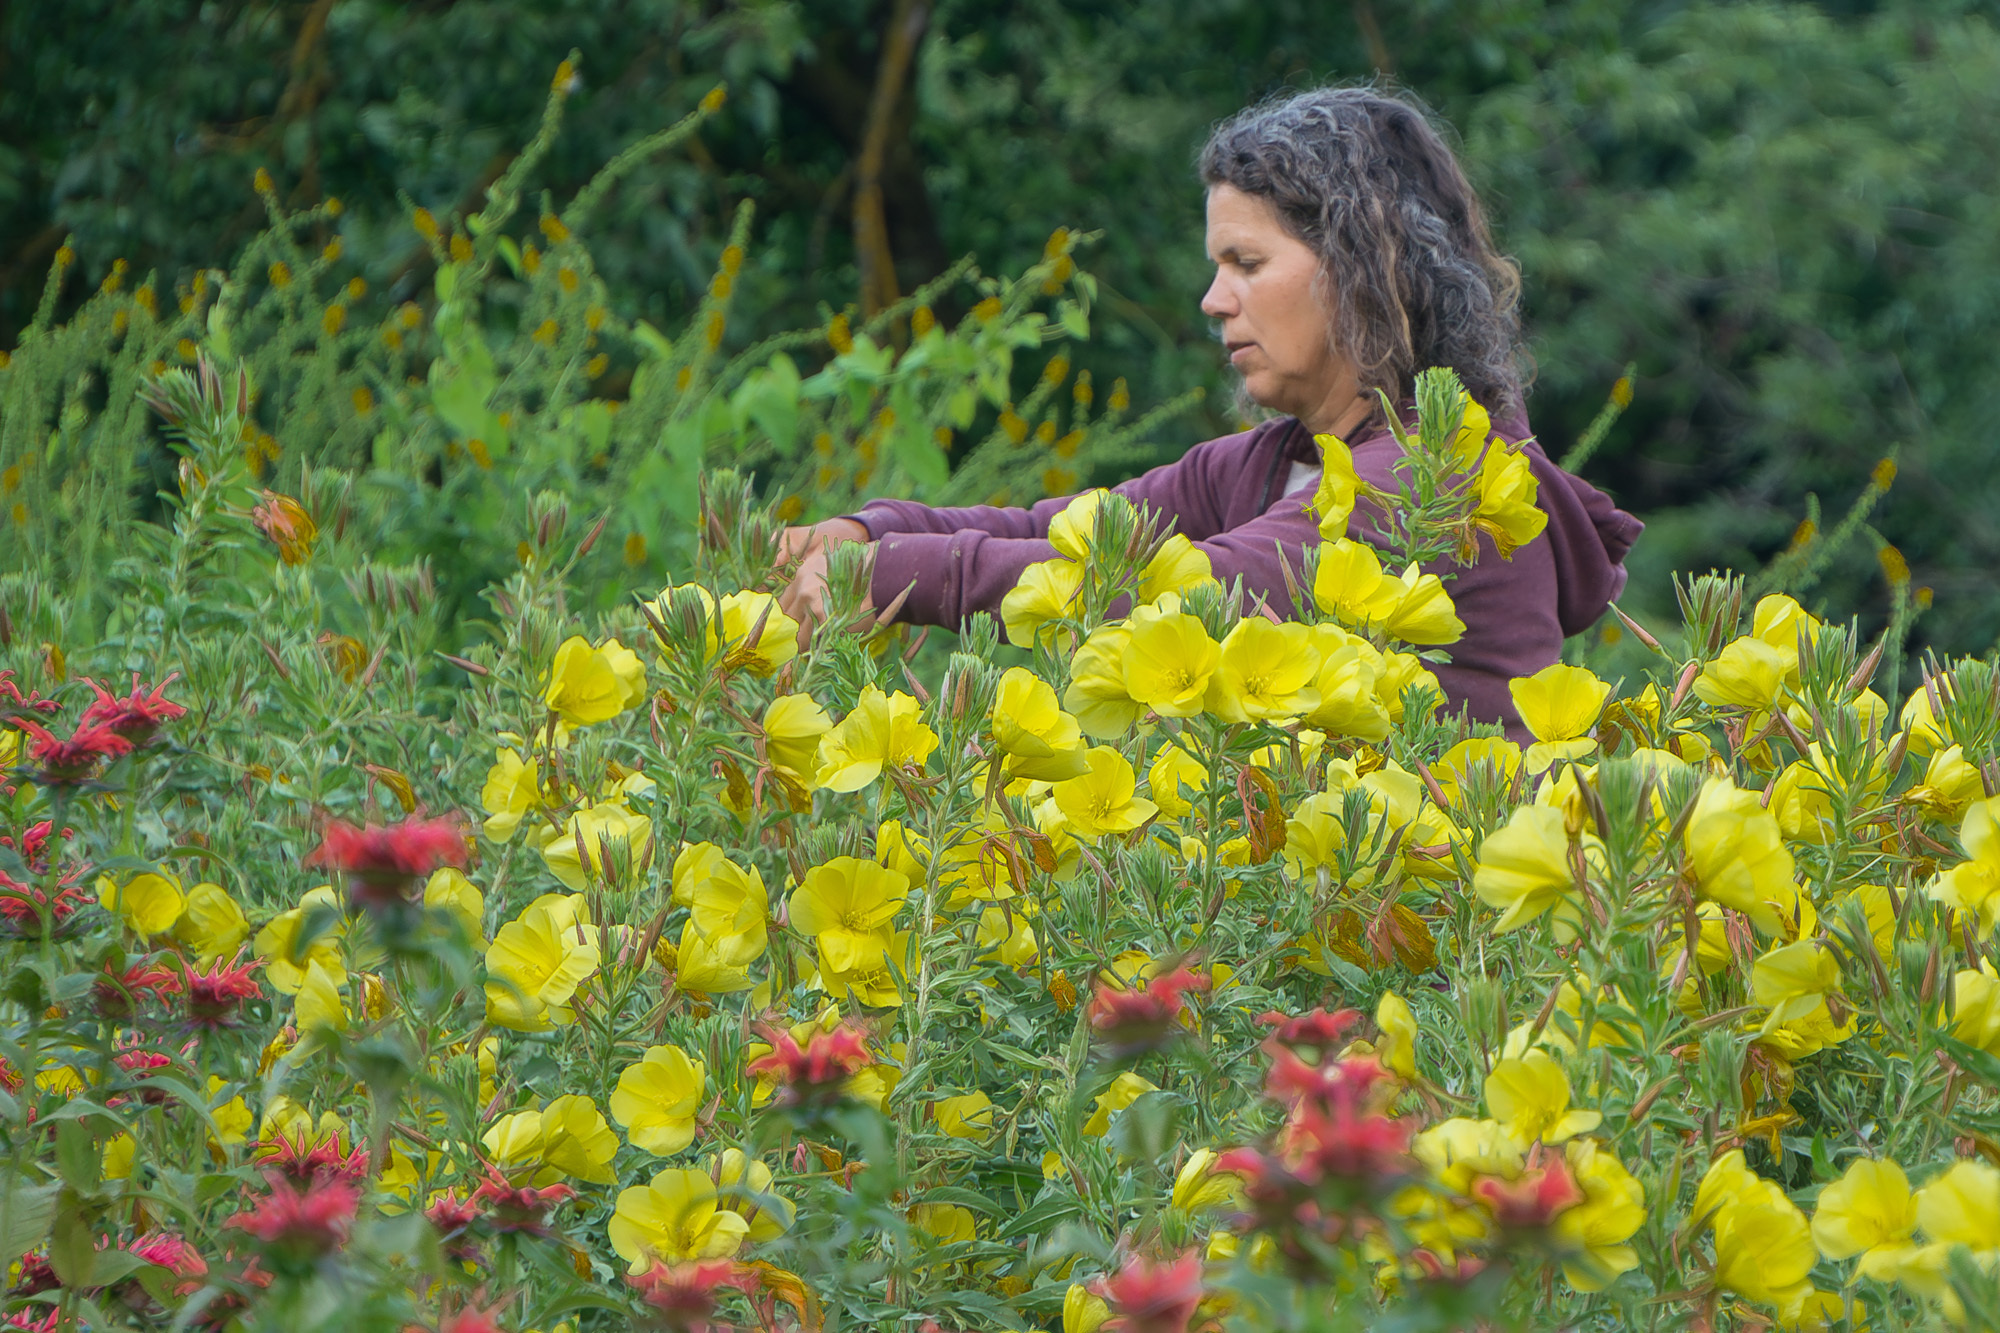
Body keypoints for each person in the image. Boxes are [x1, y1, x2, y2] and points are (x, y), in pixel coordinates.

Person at [777, 87, 1641, 734]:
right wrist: (866, 529)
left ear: (1359, 266)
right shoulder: (1272, 461)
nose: (1212, 299)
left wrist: (886, 576)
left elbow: (1189, 590)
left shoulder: (1437, 478)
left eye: (1247, 262)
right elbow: (1068, 529)